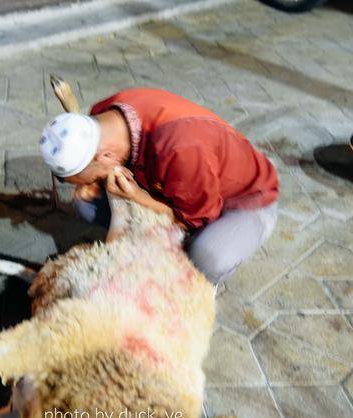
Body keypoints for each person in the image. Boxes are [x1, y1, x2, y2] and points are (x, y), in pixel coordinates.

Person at [39, 88, 279, 284]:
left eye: (87, 178)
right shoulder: (103, 118)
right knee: (85, 203)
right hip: (181, 185)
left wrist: (138, 197)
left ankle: (201, 278)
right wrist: (97, 186)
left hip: (244, 201)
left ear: (104, 156)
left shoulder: (181, 149)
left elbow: (195, 218)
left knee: (205, 258)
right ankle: (154, 246)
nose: (89, 184)